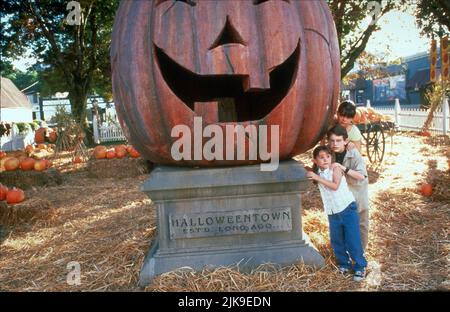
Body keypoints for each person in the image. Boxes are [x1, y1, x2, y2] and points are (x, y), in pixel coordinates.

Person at [306, 145, 367, 281]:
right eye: (321, 158)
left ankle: (360, 267)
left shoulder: (336, 168)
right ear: (315, 160)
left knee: (352, 240)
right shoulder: (318, 173)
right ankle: (344, 264)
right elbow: (308, 172)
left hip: (347, 209)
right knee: (337, 241)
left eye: (328, 156)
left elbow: (335, 186)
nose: (325, 160)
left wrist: (316, 176)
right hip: (332, 211)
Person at [327, 125, 370, 251]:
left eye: (338, 140)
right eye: (332, 141)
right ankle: (345, 249)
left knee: (361, 221)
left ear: (345, 141)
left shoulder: (354, 153)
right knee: (341, 221)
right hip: (341, 193)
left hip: (357, 190)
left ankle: (361, 251)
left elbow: (361, 176)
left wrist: (343, 168)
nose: (335, 144)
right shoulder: (329, 155)